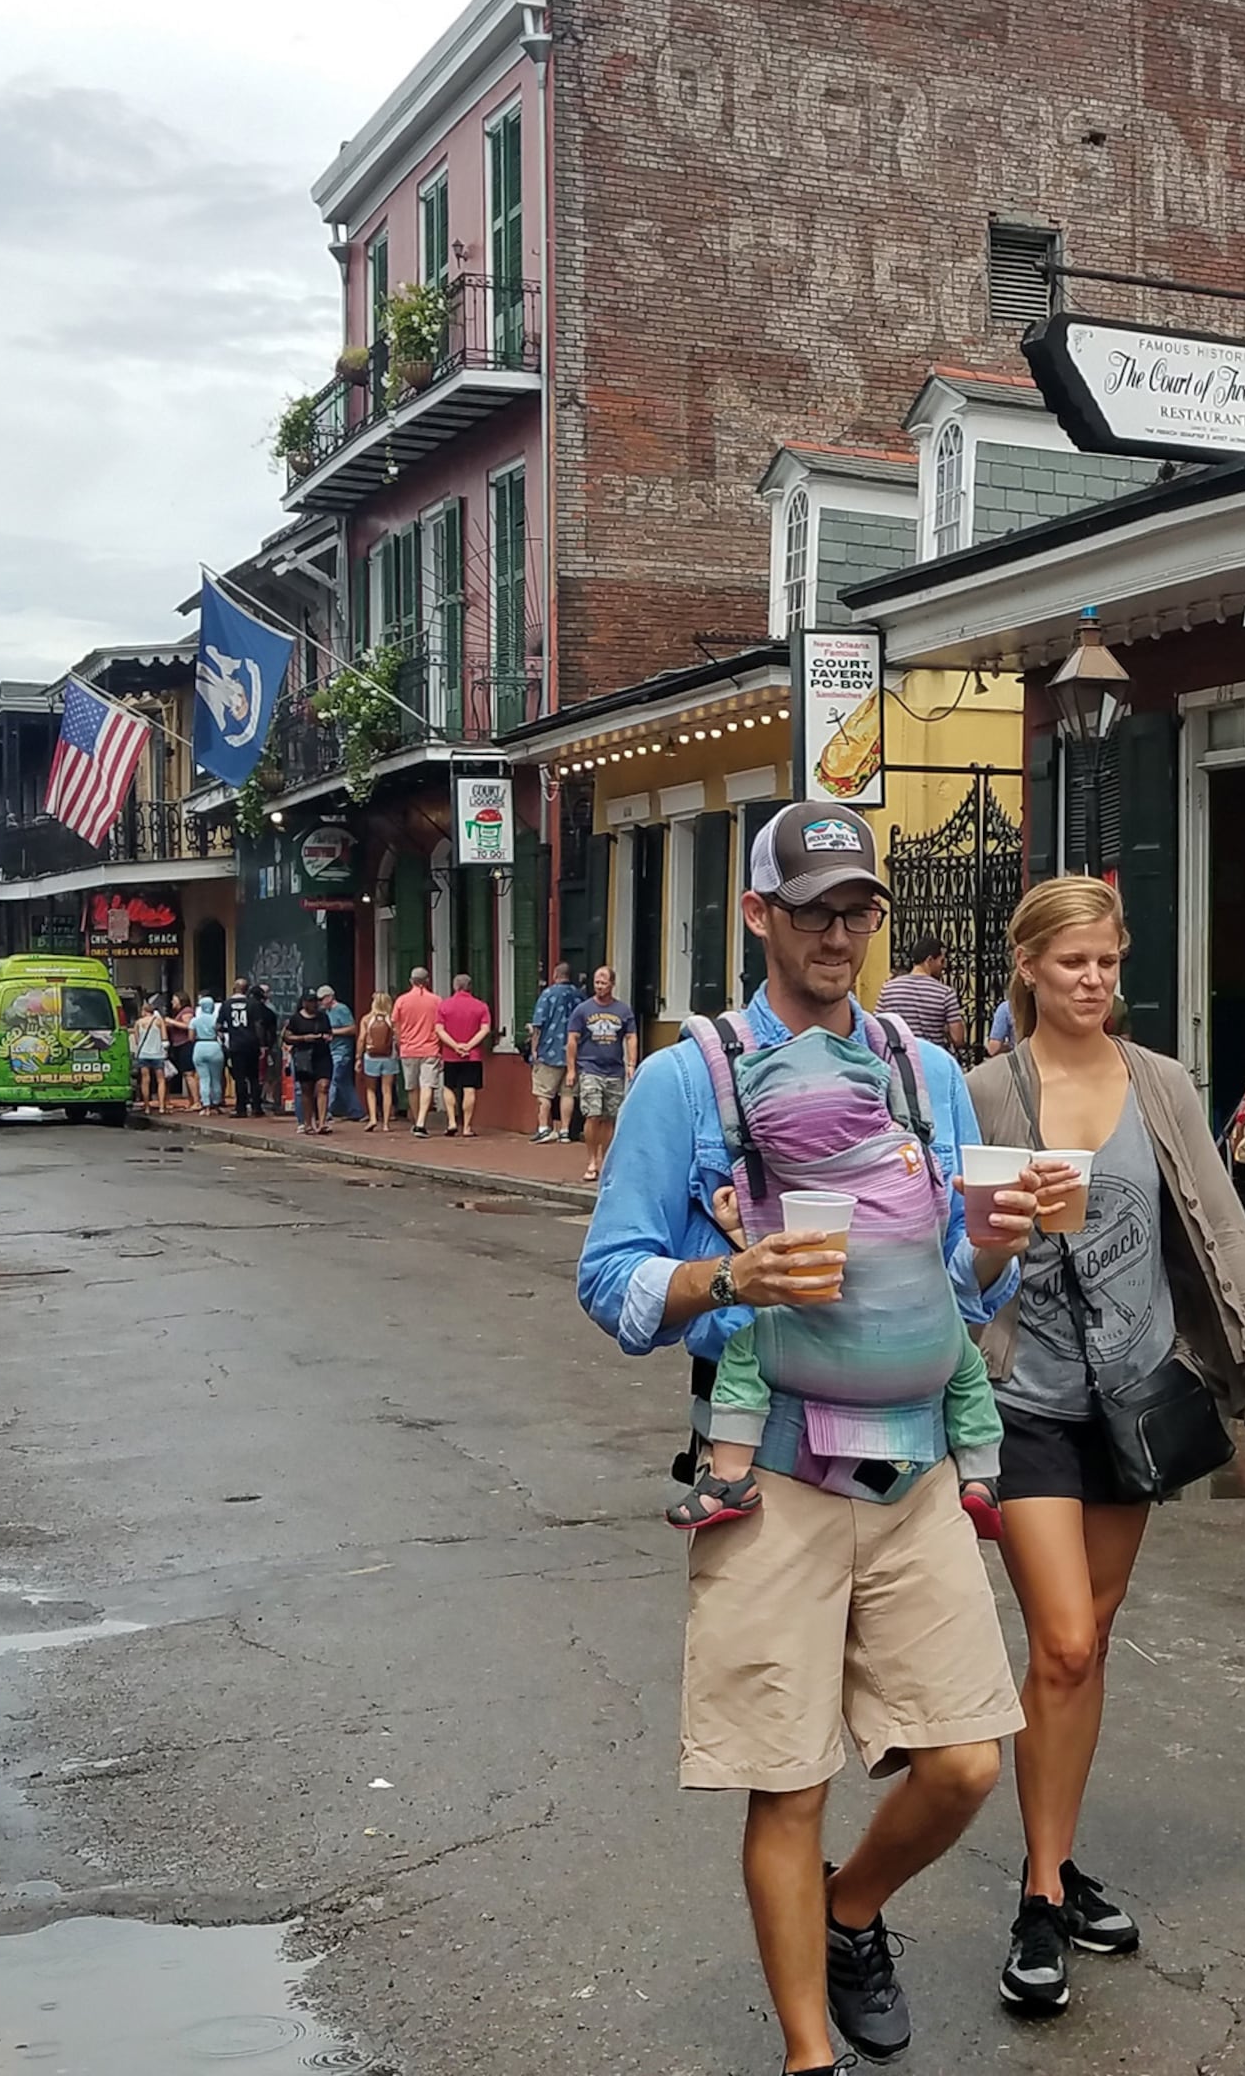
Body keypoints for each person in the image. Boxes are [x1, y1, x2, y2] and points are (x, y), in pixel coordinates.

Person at [573, 799, 1042, 2076]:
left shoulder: (922, 1071)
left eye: (860, 912)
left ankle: (849, 1912)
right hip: (771, 1474)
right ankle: (804, 2057)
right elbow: (608, 1279)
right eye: (817, 910)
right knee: (788, 1781)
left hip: (915, 1469)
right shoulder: (690, 1076)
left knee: (962, 1766)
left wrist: (993, 1244)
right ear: (761, 914)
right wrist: (729, 1283)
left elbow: (957, 1286)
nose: (841, 935)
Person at [964, 876, 1245, 2017]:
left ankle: (1055, 1869)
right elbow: (947, 1263)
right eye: (1073, 962)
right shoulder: (982, 1094)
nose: (1093, 980)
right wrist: (992, 1239)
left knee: (1093, 1641)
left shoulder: (1158, 1085)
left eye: (1108, 962)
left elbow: (1218, 1231)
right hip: (1026, 1402)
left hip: (1134, 1401)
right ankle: (1036, 1892)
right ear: (1030, 966)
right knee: (1061, 1640)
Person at [569, 965, 634, 1184]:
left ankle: (605, 1160)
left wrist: (631, 1064)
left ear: (612, 984)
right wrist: (571, 1069)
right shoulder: (583, 1010)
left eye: (603, 983)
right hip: (590, 1068)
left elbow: (631, 1037)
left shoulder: (623, 1011)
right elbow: (572, 1040)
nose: (599, 986)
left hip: (614, 1070)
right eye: (596, 982)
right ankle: (591, 1160)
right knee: (592, 1114)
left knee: (609, 1118)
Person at [877, 937, 965, 1055]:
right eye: (941, 961)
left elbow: (877, 1027)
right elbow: (958, 1039)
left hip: (899, 1058)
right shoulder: (945, 993)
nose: (943, 966)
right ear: (929, 960)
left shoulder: (888, 988)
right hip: (933, 1057)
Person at [527, 958, 583, 1143]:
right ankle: (565, 1131)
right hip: (574, 1053)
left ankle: (544, 1128)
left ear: (555, 975)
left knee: (544, 1093)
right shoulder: (580, 995)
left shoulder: (548, 994)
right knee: (568, 1094)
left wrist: (534, 1049)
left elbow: (538, 1025)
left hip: (549, 1050)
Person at [437, 971, 493, 1139]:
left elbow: (439, 1029)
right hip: (472, 1054)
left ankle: (452, 1121)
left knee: (449, 1086)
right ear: (470, 987)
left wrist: (455, 1046)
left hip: (450, 1054)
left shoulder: (444, 1006)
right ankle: (467, 1126)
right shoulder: (481, 1006)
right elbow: (485, 1029)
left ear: (455, 986)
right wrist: (469, 1045)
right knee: (469, 1089)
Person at [392, 966, 444, 1137]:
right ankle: (421, 1121)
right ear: (427, 981)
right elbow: (441, 1025)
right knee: (428, 1085)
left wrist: (401, 1044)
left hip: (409, 1049)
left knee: (412, 1087)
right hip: (431, 1048)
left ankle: (416, 1121)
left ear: (411, 981)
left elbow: (396, 1026)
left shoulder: (401, 1001)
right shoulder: (437, 1001)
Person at [284, 984, 338, 1135]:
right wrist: (304, 1038)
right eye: (310, 1001)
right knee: (306, 1090)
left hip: (322, 1055)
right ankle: (308, 1123)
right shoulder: (296, 1019)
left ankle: (322, 1122)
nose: (314, 1004)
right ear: (304, 1002)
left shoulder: (323, 1017)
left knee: (323, 1086)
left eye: (315, 1001)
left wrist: (327, 1037)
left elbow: (329, 1033)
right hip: (303, 1056)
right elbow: (287, 1036)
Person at [359, 992, 401, 1131]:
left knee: (371, 1089)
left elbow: (361, 1039)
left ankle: (372, 1118)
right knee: (387, 1090)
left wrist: (358, 1057)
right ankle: (386, 1123)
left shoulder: (367, 1019)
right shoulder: (392, 1020)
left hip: (371, 1057)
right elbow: (398, 1039)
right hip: (389, 1057)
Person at [235, 984, 279, 1117]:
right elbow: (272, 1032)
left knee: (242, 1078)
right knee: (256, 1077)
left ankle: (242, 1107)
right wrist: (266, 1046)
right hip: (259, 1047)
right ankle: (256, 1106)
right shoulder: (268, 1012)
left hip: (243, 1045)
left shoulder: (245, 1009)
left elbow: (259, 1026)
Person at [325, 987, 366, 1127]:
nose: (320, 1002)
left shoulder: (341, 1009)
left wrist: (333, 1032)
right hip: (331, 1049)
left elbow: (352, 1028)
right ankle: (357, 1111)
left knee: (333, 1079)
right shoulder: (326, 1011)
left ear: (330, 997)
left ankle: (326, 1110)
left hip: (342, 1051)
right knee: (344, 1082)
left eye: (322, 999)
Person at [190, 987, 227, 1112]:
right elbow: (221, 1033)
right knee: (216, 1078)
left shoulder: (195, 1021)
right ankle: (216, 1103)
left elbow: (191, 1037)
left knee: (203, 1078)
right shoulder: (216, 1020)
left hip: (200, 1047)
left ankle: (205, 1105)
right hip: (214, 1046)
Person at [132, 994, 171, 1113]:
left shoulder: (138, 1023)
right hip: (157, 1054)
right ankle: (161, 1107)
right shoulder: (159, 1021)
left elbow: (137, 1040)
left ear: (144, 1011)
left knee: (145, 1080)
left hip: (143, 1054)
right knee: (161, 1080)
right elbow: (165, 1039)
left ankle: (147, 1106)